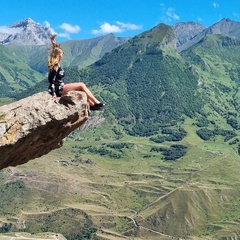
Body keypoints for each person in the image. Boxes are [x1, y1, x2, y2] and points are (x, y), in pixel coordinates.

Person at [48, 35, 105, 111]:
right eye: (61, 54)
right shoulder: (55, 66)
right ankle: (97, 103)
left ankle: (92, 105)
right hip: (59, 89)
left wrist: (53, 42)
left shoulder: (56, 64)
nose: (62, 55)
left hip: (61, 87)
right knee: (81, 85)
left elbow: (56, 49)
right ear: (58, 55)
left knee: (80, 89)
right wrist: (53, 94)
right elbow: (51, 80)